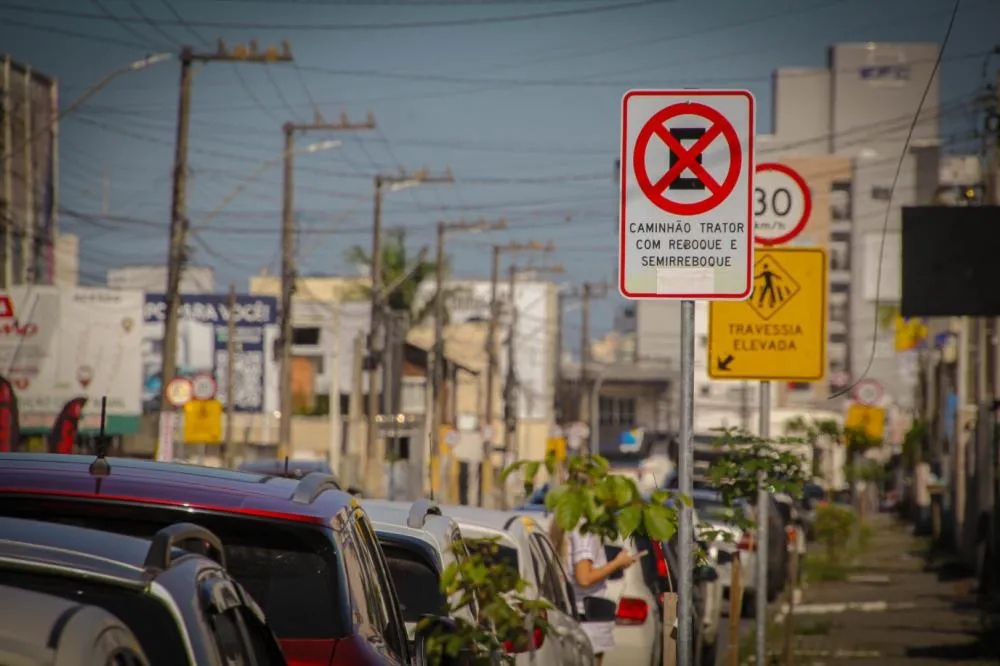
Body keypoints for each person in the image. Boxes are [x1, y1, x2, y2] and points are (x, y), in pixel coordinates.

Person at [549, 521, 639, 665]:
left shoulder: (574, 527)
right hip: (587, 623)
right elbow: (584, 579)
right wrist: (616, 563)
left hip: (577, 618)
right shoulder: (586, 532)